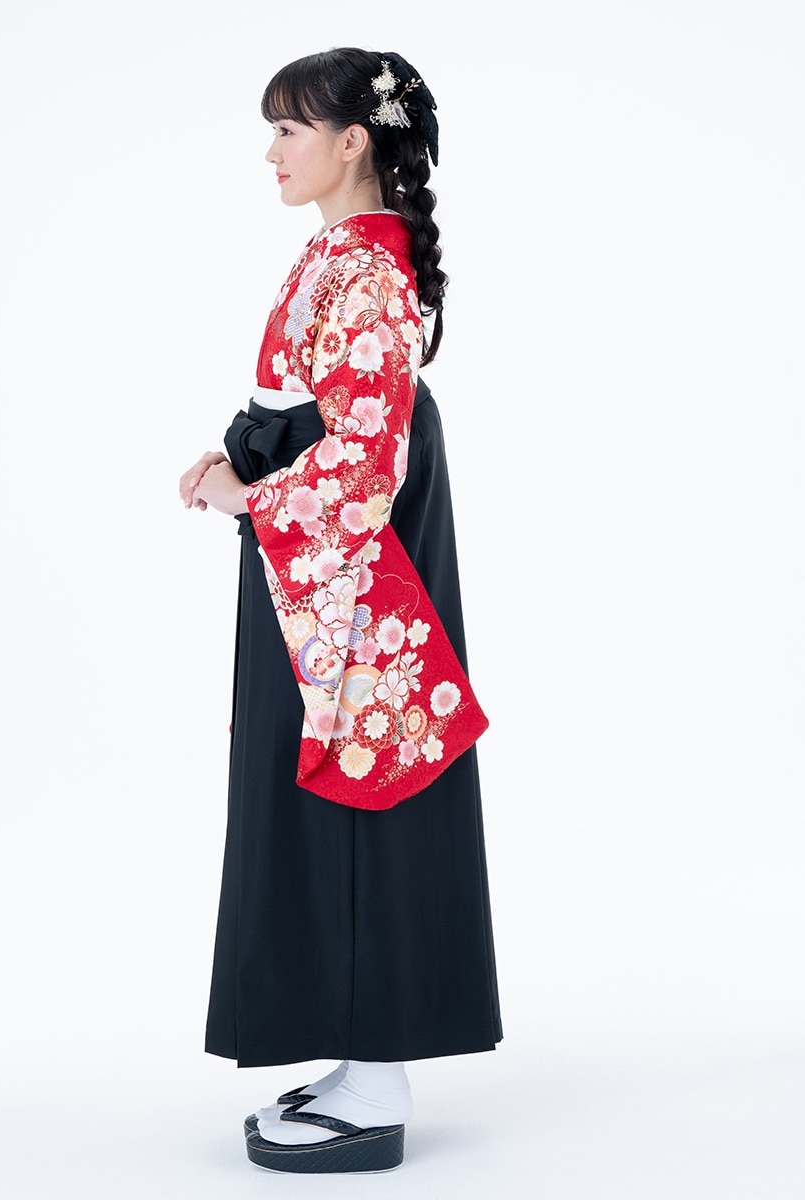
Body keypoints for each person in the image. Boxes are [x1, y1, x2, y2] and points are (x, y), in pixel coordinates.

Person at [179, 47, 501, 1175]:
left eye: (289, 131)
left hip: (350, 565)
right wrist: (243, 451)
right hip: (318, 560)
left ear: (353, 140)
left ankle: (376, 1083)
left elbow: (363, 459)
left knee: (357, 770)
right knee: (327, 773)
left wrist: (250, 492)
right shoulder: (344, 254)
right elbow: (314, 409)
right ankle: (358, 1054)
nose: (272, 152)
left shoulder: (365, 269)